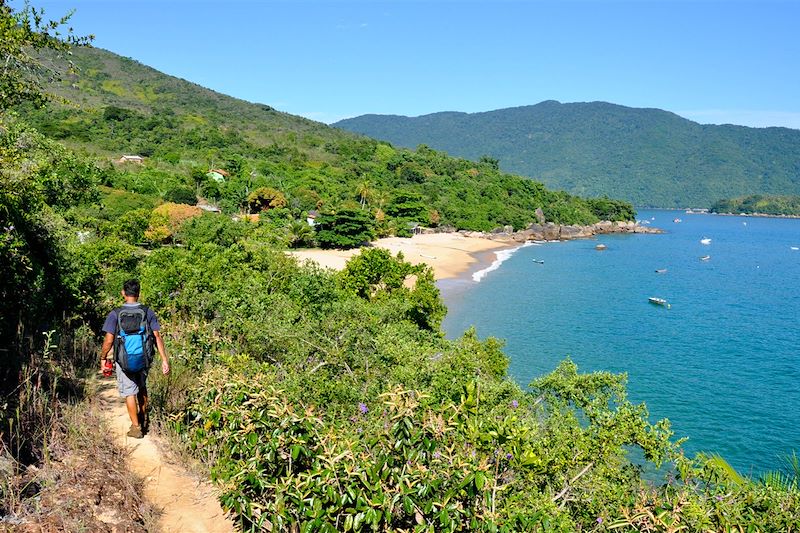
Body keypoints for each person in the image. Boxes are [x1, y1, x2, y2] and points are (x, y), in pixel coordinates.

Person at [100, 279, 170, 438]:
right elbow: (157, 336)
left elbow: (109, 340)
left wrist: (103, 357)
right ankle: (143, 418)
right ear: (138, 294)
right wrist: (164, 359)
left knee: (129, 392)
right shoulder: (147, 312)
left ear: (123, 293)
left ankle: (136, 427)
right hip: (144, 358)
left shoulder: (115, 314)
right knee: (141, 387)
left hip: (123, 360)